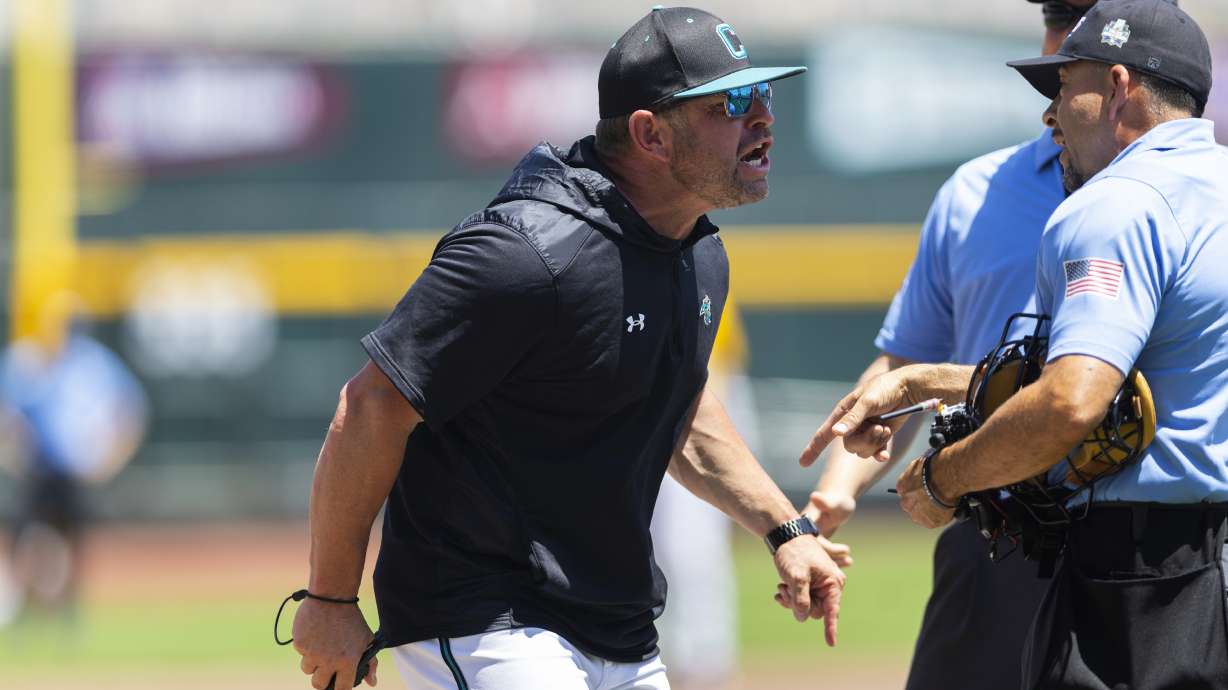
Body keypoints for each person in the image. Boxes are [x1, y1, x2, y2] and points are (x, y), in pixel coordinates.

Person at [290, 7, 846, 690]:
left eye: (765, 93)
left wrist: (786, 530)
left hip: (620, 628)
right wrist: (330, 600)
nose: (762, 115)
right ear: (650, 134)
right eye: (733, 101)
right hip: (486, 620)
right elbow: (371, 405)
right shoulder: (524, 253)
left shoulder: (698, 255)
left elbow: (681, 411)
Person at [806, 1, 1227, 687]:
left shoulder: (1113, 203)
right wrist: (924, 385)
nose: (1051, 111)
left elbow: (1072, 400)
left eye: (1065, 86)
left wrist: (945, 478)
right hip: (1202, 567)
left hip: (1118, 564)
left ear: (1118, 86)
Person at [799, 2, 1090, 688]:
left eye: (1087, 18)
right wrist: (832, 497)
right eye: (1059, 16)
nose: (1066, 34)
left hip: (1140, 538)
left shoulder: (1192, 199)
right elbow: (907, 362)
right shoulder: (977, 191)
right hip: (989, 526)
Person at [0, 293, 149, 627]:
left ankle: (67, 608)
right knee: (24, 534)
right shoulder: (34, 362)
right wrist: (12, 453)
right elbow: (12, 415)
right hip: (40, 468)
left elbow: (129, 411)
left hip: (76, 470)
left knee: (73, 539)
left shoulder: (96, 365)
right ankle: (24, 602)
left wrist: (111, 459)